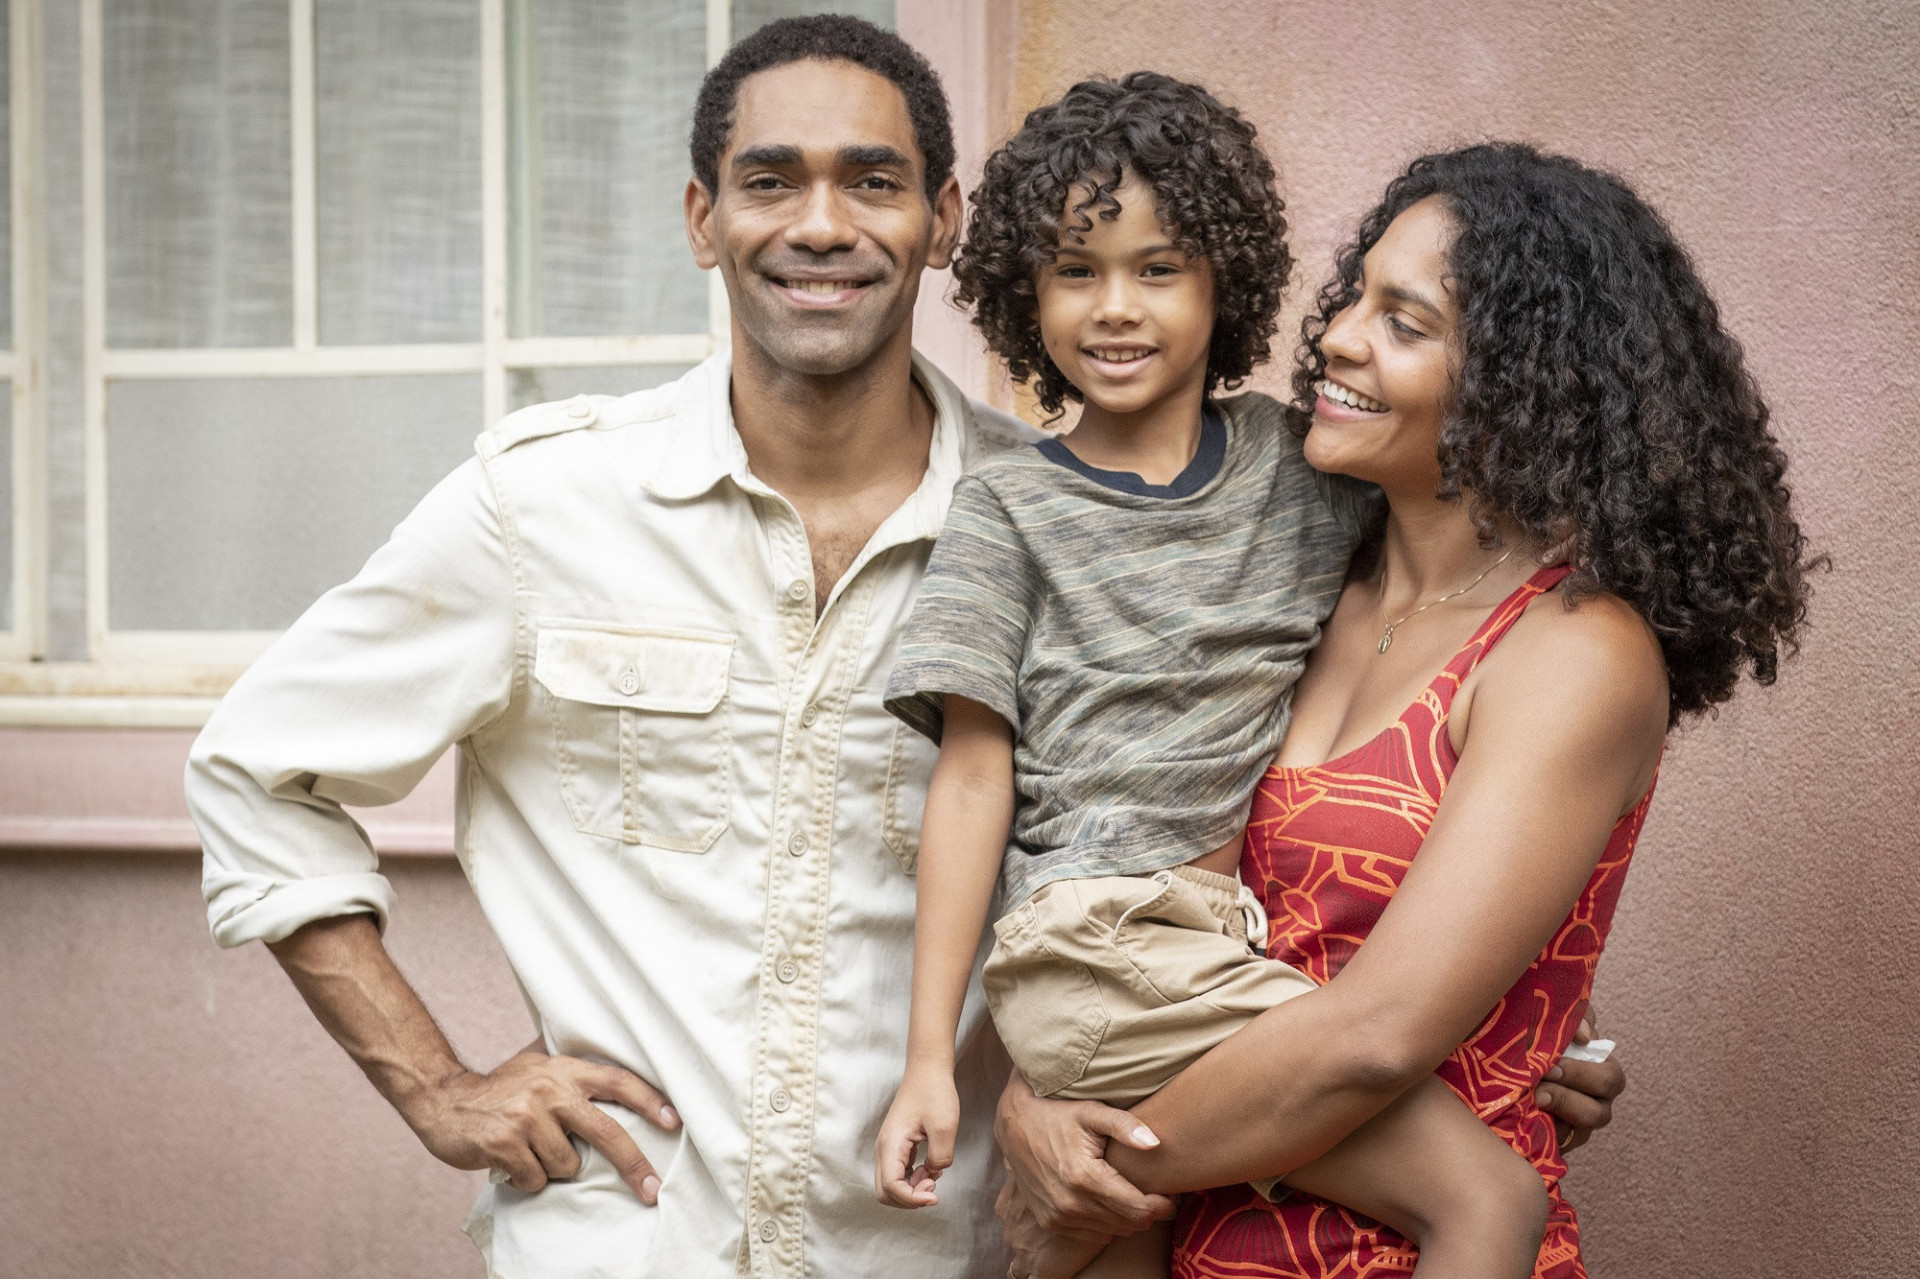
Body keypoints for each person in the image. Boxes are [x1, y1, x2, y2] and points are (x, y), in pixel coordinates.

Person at [183, 13, 1623, 1273]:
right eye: (770, 181)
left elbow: (1333, 742)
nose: (822, 223)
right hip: (628, 1246)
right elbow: (255, 769)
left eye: (871, 181)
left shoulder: (1096, 510)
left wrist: (1493, 1020)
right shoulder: (542, 503)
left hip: (955, 1242)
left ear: (940, 219)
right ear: (702, 218)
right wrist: (438, 1088)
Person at [993, 143, 1817, 1279]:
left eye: (1406, 321)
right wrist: (1038, 1101)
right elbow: (1133, 870)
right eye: (1354, 296)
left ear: (1525, 383)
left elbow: (1373, 1040)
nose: (1335, 337)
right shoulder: (1297, 592)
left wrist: (1090, 1167)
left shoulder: (1571, 650)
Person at [873, 73, 1551, 1279]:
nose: (1114, 308)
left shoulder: (1306, 472)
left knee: (1125, 1247)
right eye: (1075, 272)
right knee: (1482, 1193)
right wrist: (931, 1055)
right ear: (1021, 295)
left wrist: (1552, 1026)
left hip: (1221, 942)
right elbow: (973, 781)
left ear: (1224, 279)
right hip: (1093, 939)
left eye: (1159, 268)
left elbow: (1427, 670)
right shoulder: (1009, 508)